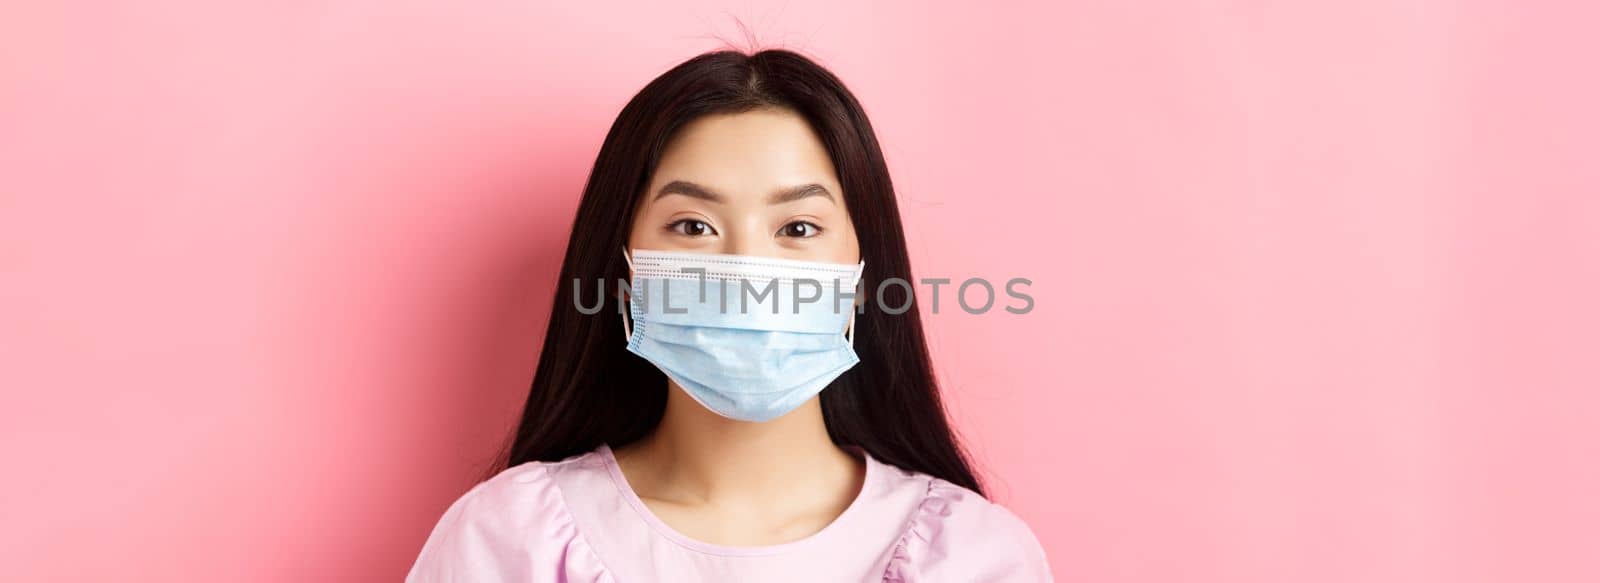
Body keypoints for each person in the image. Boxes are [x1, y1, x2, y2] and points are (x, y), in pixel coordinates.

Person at [406, 48, 1053, 582]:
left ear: (861, 281)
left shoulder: (973, 556)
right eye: (693, 225)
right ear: (626, 273)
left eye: (798, 226)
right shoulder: (504, 541)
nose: (748, 271)